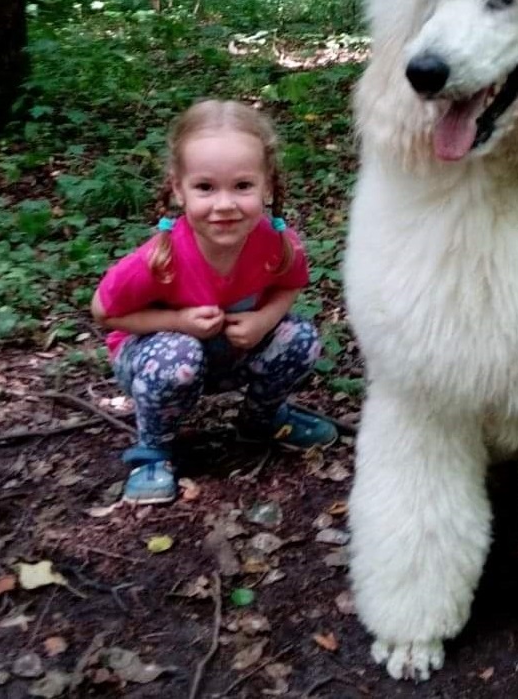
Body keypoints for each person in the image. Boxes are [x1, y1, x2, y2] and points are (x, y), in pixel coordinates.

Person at [91, 99, 337, 505]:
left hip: (229, 353)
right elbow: (104, 311)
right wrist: (178, 321)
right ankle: (153, 451)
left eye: (242, 186)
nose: (224, 205)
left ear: (268, 185)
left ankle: (260, 422)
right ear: (179, 189)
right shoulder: (159, 258)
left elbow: (289, 286)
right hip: (156, 362)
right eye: (205, 187)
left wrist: (263, 319)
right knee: (177, 355)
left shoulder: (277, 244)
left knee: (301, 337)